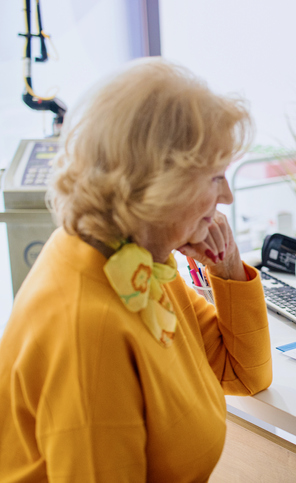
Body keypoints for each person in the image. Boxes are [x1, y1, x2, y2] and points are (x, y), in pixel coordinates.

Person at [0, 59, 273, 481]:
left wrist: (229, 266)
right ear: (159, 184)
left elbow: (244, 373)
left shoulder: (130, 259)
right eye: (215, 178)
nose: (229, 197)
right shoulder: (89, 328)